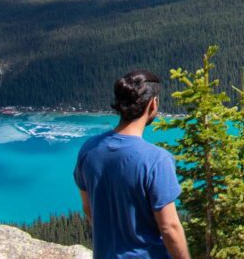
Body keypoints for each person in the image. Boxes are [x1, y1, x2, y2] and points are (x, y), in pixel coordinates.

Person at [74, 70, 190, 259]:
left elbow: (88, 208)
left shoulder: (89, 149)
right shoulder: (156, 160)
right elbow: (170, 228)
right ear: (152, 104)